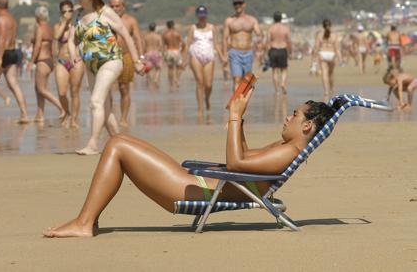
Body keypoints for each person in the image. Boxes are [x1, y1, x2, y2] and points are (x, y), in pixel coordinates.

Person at [43, 88, 345, 238]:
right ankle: (88, 220)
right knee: (120, 142)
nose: (288, 117)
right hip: (197, 183)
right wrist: (239, 114)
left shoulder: (287, 152)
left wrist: (234, 116)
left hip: (193, 188)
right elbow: (245, 157)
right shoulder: (283, 148)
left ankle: (84, 223)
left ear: (308, 127)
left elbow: (236, 160)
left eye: (295, 114)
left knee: (118, 144)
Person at [69, 0, 145, 155]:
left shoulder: (105, 12)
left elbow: (126, 34)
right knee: (105, 108)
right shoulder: (78, 15)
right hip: (90, 65)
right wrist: (73, 53)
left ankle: (93, 144)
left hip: (110, 61)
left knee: (96, 102)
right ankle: (122, 143)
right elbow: (72, 40)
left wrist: (136, 61)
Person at [109, 0, 144, 128]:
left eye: (117, 6)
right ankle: (109, 116)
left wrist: (140, 57)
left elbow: (138, 38)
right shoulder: (106, 20)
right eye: (112, 6)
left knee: (124, 88)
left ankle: (123, 118)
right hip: (109, 56)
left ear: (123, 6)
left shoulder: (130, 21)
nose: (115, 9)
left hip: (126, 55)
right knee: (107, 88)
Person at [182, 5, 224, 114]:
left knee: (208, 84)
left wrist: (222, 57)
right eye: (200, 16)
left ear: (206, 16)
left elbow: (216, 44)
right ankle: (200, 108)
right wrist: (184, 60)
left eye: (204, 16)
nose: (202, 18)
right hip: (196, 56)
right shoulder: (193, 28)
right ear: (197, 16)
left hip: (209, 57)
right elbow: (188, 44)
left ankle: (207, 98)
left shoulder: (212, 28)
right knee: (200, 82)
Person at [54, 0, 85, 128]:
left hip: (76, 60)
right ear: (61, 13)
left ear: (73, 11)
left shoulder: (78, 24)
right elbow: (56, 36)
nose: (67, 13)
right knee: (61, 93)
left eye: (70, 10)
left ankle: (74, 119)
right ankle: (66, 112)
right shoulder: (58, 26)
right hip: (62, 62)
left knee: (75, 91)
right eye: (64, 11)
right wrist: (65, 22)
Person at [223, 0, 263, 90]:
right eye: (235, 3)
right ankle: (236, 103)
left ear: (244, 4)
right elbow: (225, 38)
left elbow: (259, 35)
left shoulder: (252, 20)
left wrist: (259, 50)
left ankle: (243, 102)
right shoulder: (229, 21)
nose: (238, 5)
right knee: (236, 79)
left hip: (248, 53)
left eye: (239, 3)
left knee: (247, 81)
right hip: (235, 53)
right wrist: (224, 55)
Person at [32, 6, 65, 123]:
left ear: (37, 17)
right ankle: (39, 115)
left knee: (41, 89)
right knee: (38, 89)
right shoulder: (50, 29)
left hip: (42, 61)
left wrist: (31, 61)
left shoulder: (40, 29)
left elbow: (37, 46)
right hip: (49, 61)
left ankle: (62, 107)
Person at [313, 19, 342, 99]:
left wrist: (314, 60)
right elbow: (337, 49)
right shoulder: (334, 35)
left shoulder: (319, 35)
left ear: (323, 26)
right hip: (331, 54)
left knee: (324, 73)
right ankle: (332, 89)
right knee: (331, 73)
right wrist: (340, 60)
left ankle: (326, 91)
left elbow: (316, 48)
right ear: (331, 25)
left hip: (322, 54)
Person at [267, 11, 292, 94]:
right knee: (284, 69)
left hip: (273, 49)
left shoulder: (271, 28)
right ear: (281, 18)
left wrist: (267, 52)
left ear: (274, 19)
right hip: (282, 49)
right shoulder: (285, 28)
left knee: (274, 71)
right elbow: (289, 41)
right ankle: (283, 83)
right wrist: (290, 51)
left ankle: (277, 91)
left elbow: (268, 41)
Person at [162, 20, 183, 91]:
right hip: (176, 51)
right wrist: (182, 51)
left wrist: (163, 55)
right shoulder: (177, 33)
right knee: (178, 67)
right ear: (173, 25)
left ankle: (171, 84)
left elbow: (163, 45)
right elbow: (183, 43)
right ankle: (177, 79)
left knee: (170, 68)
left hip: (169, 51)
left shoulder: (165, 34)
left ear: (167, 26)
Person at [143, 22, 164, 87]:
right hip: (156, 52)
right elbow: (161, 45)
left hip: (148, 53)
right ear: (155, 28)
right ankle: (155, 78)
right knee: (158, 68)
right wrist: (160, 53)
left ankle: (149, 78)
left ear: (149, 28)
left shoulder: (146, 36)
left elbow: (144, 46)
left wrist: (142, 55)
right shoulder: (158, 36)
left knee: (147, 68)